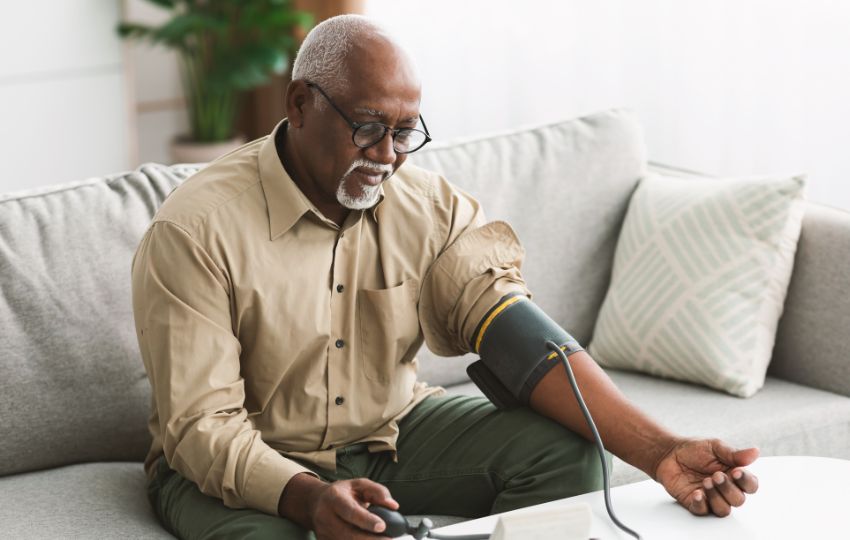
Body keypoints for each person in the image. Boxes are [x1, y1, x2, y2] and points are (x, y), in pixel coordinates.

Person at [131, 14, 759, 540]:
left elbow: (519, 340)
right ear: (299, 103)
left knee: (568, 454)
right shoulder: (195, 231)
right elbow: (201, 428)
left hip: (388, 431)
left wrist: (659, 452)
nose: (387, 156)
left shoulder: (429, 206)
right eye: (368, 127)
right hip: (237, 461)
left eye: (406, 133)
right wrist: (308, 498)